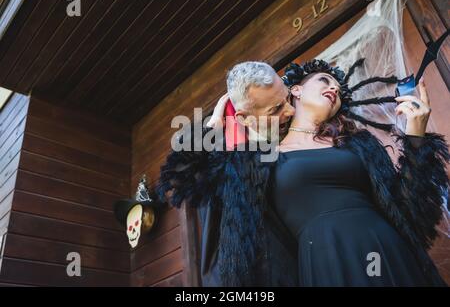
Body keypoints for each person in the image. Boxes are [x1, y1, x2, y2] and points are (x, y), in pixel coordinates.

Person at [158, 58, 449, 286]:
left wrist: (416, 137)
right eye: (324, 79)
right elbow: (182, 180)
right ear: (296, 90)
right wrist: (212, 127)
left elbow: (412, 213)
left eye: (337, 86)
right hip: (324, 264)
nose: (334, 87)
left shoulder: (359, 144)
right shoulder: (256, 160)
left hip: (388, 249)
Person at [158, 61, 298, 286]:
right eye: (276, 109)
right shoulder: (216, 152)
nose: (290, 111)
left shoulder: (292, 133)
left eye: (287, 98)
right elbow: (176, 178)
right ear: (244, 117)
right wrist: (212, 126)